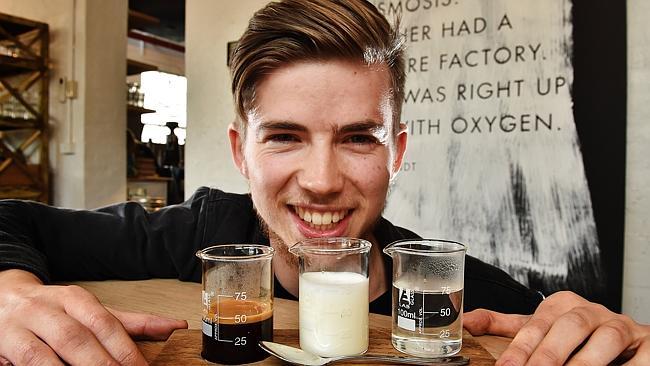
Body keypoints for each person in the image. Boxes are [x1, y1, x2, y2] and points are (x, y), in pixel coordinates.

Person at [0, 0, 647, 365]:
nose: (321, 181)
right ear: (241, 151)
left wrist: (617, 341)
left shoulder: (458, 295)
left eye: (358, 138)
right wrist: (11, 297)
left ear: (396, 153)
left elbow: (573, 338)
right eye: (284, 136)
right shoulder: (201, 232)